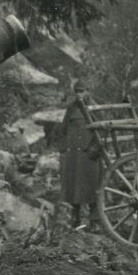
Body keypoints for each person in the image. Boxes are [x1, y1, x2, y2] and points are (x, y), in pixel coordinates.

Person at [54, 80, 103, 230]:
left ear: (89, 91)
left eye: (82, 91)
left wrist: (95, 149)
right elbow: (61, 130)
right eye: (77, 91)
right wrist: (64, 149)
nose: (79, 94)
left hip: (89, 155)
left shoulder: (95, 108)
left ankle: (94, 221)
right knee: (74, 187)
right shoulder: (71, 108)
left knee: (92, 187)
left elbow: (103, 130)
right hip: (74, 156)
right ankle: (75, 218)